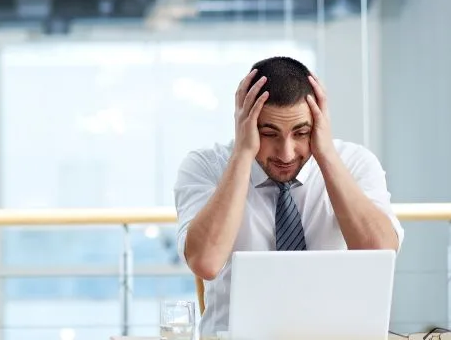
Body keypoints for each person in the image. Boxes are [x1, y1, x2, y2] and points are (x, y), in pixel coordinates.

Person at [173, 56, 404, 336]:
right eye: (269, 133)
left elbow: (379, 256)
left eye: (301, 132)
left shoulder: (355, 163)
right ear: (244, 123)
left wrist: (326, 155)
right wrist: (243, 153)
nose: (286, 153)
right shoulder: (205, 166)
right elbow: (205, 263)